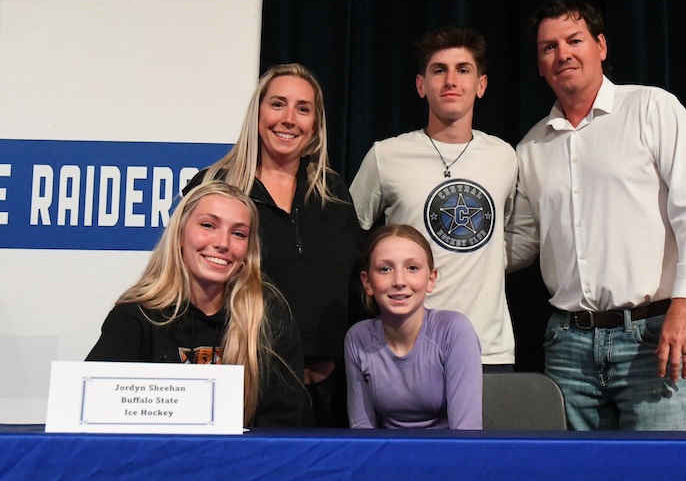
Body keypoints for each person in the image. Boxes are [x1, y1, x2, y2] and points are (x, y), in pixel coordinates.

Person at [506, 0, 686, 430]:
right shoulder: (531, 147)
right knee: (573, 466)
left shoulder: (651, 108)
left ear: (601, 46)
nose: (562, 54)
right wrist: (447, 258)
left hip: (651, 338)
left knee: (661, 465)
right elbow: (524, 242)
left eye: (574, 40)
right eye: (549, 47)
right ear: (539, 65)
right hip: (567, 346)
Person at [183, 63, 362, 427]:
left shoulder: (334, 193)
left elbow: (352, 288)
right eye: (278, 104)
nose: (289, 119)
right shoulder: (215, 187)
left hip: (326, 392)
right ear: (258, 112)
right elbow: (186, 282)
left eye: (303, 109)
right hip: (243, 385)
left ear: (315, 124)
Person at [349, 26, 517, 370]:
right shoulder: (387, 155)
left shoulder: (504, 157)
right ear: (421, 85)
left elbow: (513, 234)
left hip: (488, 352)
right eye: (439, 70)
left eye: (463, 70)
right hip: (406, 349)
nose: (450, 81)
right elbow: (348, 237)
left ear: (481, 85)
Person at [86, 181, 307, 427]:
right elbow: (98, 408)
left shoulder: (268, 317)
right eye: (208, 225)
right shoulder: (135, 317)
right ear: (180, 234)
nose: (223, 243)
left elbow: (285, 421)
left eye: (238, 233)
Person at [345, 224, 482, 429]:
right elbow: (361, 431)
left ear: (431, 279)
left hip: (448, 449)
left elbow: (466, 432)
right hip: (386, 450)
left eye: (412, 268)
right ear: (367, 282)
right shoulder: (358, 337)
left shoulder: (454, 330)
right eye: (385, 269)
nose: (399, 281)